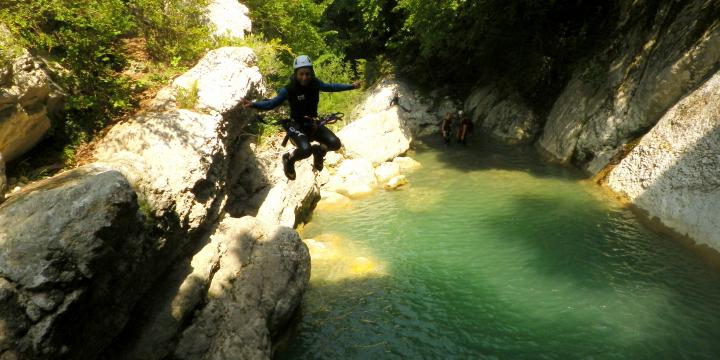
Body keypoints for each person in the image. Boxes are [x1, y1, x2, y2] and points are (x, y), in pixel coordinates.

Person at [241, 55, 360, 180]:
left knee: (335, 144)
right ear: (296, 74)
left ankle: (318, 151)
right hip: (297, 126)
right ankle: (289, 160)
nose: (304, 77)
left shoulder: (315, 84)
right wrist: (254, 104)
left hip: (313, 124)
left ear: (311, 73)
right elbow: (272, 103)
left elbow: (331, 87)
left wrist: (351, 86)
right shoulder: (289, 89)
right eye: (301, 74)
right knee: (305, 150)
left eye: (307, 74)